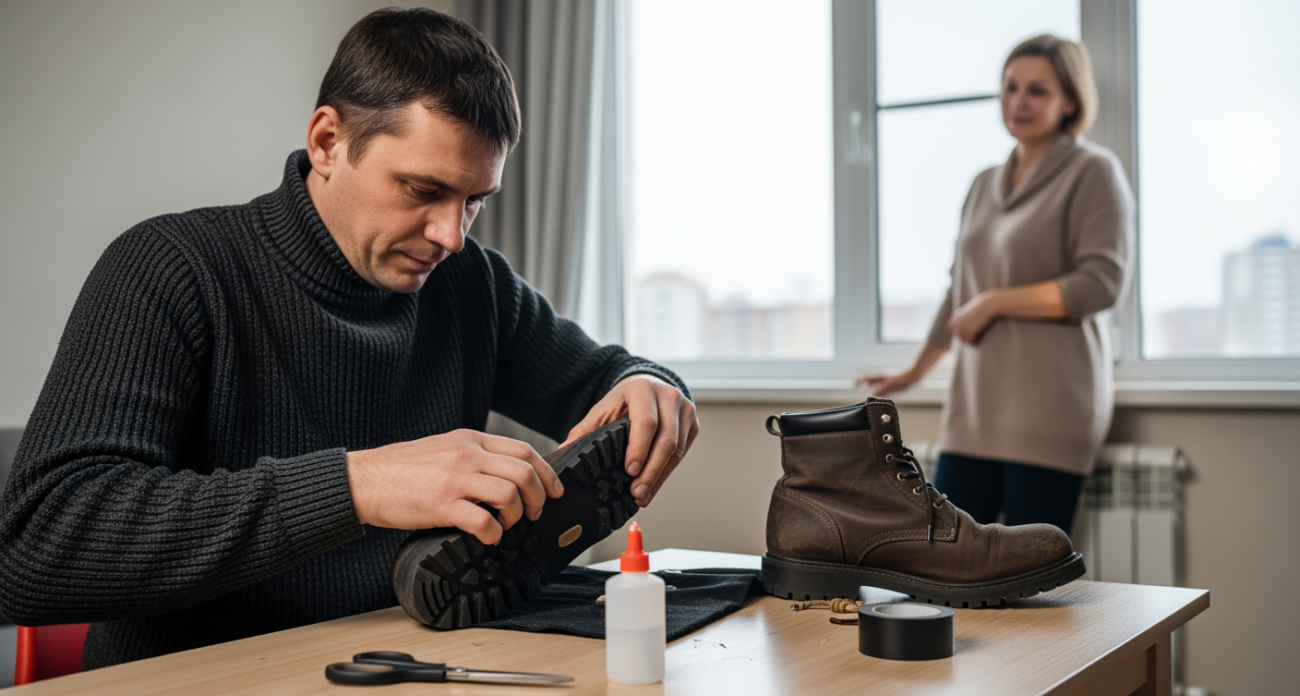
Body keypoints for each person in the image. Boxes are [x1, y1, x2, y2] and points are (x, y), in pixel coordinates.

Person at [0, 8, 697, 668]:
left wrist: (651, 384)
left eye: (474, 201)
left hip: (405, 665)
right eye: (422, 189)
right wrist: (357, 484)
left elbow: (605, 379)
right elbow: (33, 552)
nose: (451, 236)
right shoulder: (171, 269)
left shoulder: (471, 285)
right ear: (328, 142)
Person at [858, 35, 1134, 534]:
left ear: (1071, 100)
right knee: (945, 563)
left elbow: (1101, 283)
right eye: (1010, 87)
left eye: (1037, 91)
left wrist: (995, 303)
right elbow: (956, 289)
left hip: (1052, 410)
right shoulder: (983, 183)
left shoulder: (1093, 171)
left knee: (1029, 586)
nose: (1018, 101)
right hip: (974, 409)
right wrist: (916, 371)